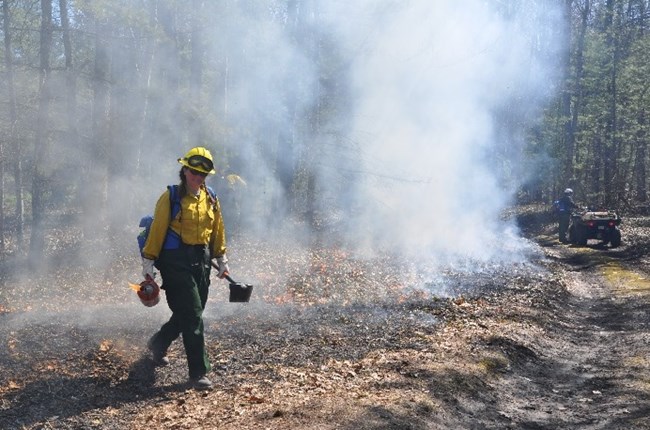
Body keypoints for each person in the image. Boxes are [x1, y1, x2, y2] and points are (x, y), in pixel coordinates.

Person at [141, 146, 230, 390]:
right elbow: (158, 230)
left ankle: (158, 343)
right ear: (185, 170)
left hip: (201, 261)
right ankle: (198, 372)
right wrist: (148, 262)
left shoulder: (210, 197)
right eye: (194, 172)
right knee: (192, 315)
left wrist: (221, 260)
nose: (198, 177)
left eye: (203, 174)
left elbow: (217, 230)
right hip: (175, 261)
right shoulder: (170, 197)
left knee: (190, 311)